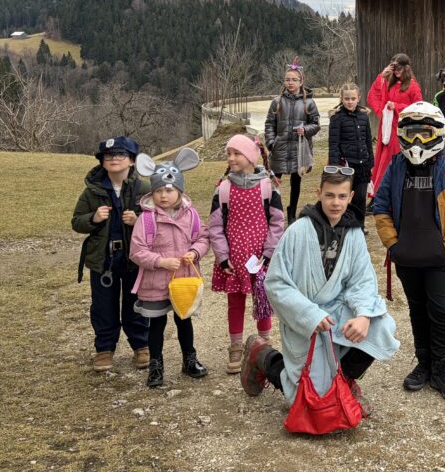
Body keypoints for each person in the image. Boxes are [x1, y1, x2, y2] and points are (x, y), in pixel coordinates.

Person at [240, 168, 399, 416]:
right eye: (330, 195)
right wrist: (310, 315)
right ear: (319, 194)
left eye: (342, 196)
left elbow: (362, 280)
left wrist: (363, 315)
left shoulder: (354, 233)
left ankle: (343, 382)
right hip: (304, 318)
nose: (336, 203)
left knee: (382, 327)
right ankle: (262, 355)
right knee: (306, 401)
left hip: (337, 312)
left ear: (351, 196)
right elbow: (276, 282)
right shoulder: (298, 231)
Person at [374, 101, 445, 402]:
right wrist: (393, 244)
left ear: (438, 134)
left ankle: (443, 370)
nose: (417, 140)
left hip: (438, 259)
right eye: (412, 133)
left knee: (441, 313)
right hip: (407, 258)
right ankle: (424, 364)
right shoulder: (396, 167)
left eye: (425, 133)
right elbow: (381, 207)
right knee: (417, 311)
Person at [129, 149, 210, 387]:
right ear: (152, 192)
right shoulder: (146, 219)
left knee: (184, 320)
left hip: (183, 279)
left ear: (179, 191)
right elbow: (137, 251)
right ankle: (156, 365)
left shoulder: (191, 215)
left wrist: (194, 252)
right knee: (156, 324)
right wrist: (160, 262)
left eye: (169, 190)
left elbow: (203, 238)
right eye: (158, 191)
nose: (163, 195)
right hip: (155, 283)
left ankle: (189, 359)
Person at [71, 136, 150, 372]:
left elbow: (159, 221)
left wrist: (139, 220)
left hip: (135, 259)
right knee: (103, 306)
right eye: (108, 155)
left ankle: (141, 345)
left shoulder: (144, 189)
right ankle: (104, 349)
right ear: (102, 161)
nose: (114, 159)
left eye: (120, 155)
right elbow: (77, 221)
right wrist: (93, 218)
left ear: (132, 161)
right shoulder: (92, 191)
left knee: (136, 304)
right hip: (103, 260)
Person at [209, 135, 285, 375]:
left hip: (260, 259)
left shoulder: (267, 187)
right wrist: (222, 256)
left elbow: (277, 223)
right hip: (233, 259)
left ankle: (265, 343)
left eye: (237, 153)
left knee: (263, 299)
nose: (231, 158)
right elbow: (215, 226)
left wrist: (269, 253)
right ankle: (236, 346)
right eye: (228, 153)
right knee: (235, 302)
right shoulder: (223, 189)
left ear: (251, 156)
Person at [265, 58, 320, 225]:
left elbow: (316, 124)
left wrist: (306, 129)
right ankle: (273, 213)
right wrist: (271, 142)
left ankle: (292, 213)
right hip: (279, 148)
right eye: (287, 79)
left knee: (296, 182)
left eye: (294, 80)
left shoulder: (308, 103)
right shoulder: (277, 102)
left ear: (301, 81)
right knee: (274, 182)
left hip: (299, 149)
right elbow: (269, 123)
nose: (290, 82)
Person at [368, 53, 423, 197]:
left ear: (406, 68)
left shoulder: (413, 86)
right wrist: (381, 76)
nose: (396, 72)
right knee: (383, 161)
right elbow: (374, 97)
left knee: (393, 161)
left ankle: (390, 194)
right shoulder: (389, 84)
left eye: (399, 68)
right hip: (387, 130)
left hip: (403, 131)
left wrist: (397, 107)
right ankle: (379, 194)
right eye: (394, 68)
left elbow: (418, 108)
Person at [328, 82, 374, 225]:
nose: (350, 102)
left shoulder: (364, 116)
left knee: (360, 198)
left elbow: (368, 140)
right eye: (347, 99)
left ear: (358, 98)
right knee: (345, 197)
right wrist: (334, 165)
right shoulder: (337, 117)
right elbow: (333, 144)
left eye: (353, 99)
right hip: (346, 165)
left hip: (363, 164)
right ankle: (345, 225)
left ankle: (359, 226)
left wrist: (370, 161)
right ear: (341, 98)